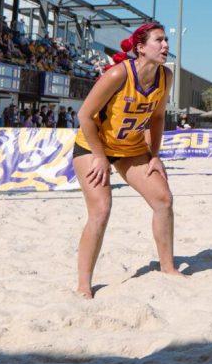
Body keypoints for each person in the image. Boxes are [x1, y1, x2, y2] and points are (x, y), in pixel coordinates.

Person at [72, 22, 182, 298]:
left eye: (166, 40)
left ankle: (167, 267)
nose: (165, 45)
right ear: (140, 48)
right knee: (101, 210)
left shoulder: (166, 76)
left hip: (130, 148)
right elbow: (84, 115)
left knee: (163, 199)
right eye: (159, 40)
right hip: (93, 145)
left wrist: (155, 156)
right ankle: (84, 285)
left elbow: (157, 118)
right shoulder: (118, 74)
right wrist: (99, 156)